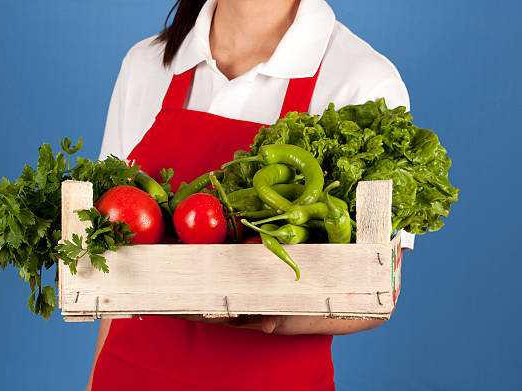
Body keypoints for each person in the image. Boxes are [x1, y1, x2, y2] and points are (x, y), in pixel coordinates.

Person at [90, 0, 414, 389]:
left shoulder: (361, 80)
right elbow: (112, 261)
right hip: (130, 375)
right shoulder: (147, 64)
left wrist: (266, 317)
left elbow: (378, 291)